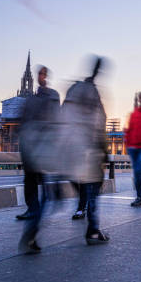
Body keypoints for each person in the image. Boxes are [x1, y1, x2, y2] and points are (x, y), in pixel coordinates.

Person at [59, 56, 110, 245]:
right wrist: (103, 150)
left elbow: (64, 116)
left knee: (82, 181)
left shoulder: (73, 90)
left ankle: (81, 207)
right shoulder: (93, 94)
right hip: (88, 147)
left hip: (72, 147)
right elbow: (100, 121)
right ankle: (93, 229)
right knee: (94, 186)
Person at [17, 66, 60, 253]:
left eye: (43, 74)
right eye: (39, 74)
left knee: (38, 190)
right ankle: (32, 230)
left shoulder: (38, 99)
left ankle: (32, 223)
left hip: (34, 149)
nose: (41, 77)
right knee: (46, 194)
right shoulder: (46, 98)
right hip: (39, 151)